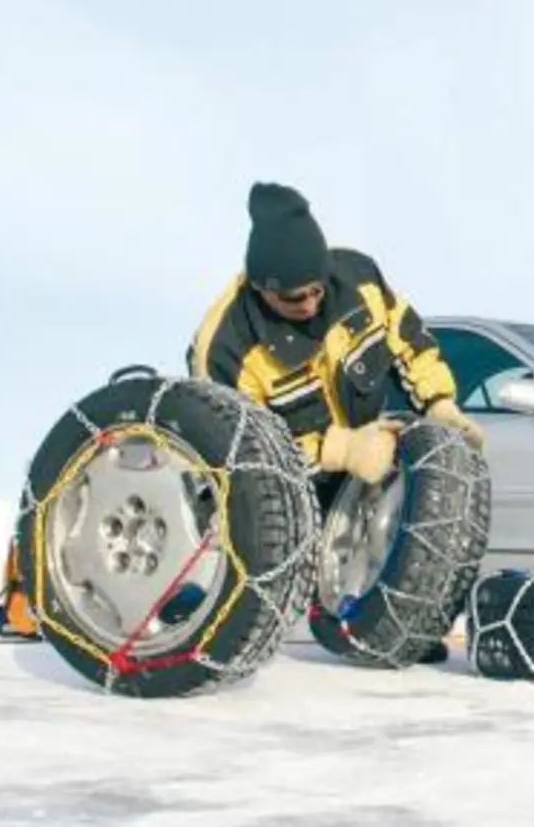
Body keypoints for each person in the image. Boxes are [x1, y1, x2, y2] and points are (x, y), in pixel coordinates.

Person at [186, 181, 485, 662]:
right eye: (293, 298)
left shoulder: (359, 280)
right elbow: (240, 462)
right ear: (261, 287)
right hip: (287, 491)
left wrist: (440, 403)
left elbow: (411, 340)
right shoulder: (224, 348)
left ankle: (399, 627)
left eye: (316, 290)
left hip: (370, 454)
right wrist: (338, 450)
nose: (308, 304)